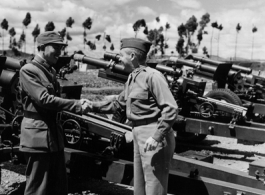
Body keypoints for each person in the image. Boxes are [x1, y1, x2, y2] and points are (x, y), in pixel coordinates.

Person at [84, 38, 178, 195]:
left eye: (121, 55)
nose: (119, 59)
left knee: (154, 188)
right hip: (138, 133)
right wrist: (92, 106)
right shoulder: (132, 78)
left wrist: (157, 136)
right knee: (139, 187)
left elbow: (171, 108)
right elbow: (117, 105)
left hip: (153, 135)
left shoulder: (153, 76)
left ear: (132, 56)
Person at [19, 31, 90, 195]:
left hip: (53, 136)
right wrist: (77, 105)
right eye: (56, 47)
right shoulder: (28, 70)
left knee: (58, 187)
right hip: (37, 137)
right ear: (42, 47)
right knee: (38, 188)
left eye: (61, 47)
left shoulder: (49, 71)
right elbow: (44, 99)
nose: (60, 52)